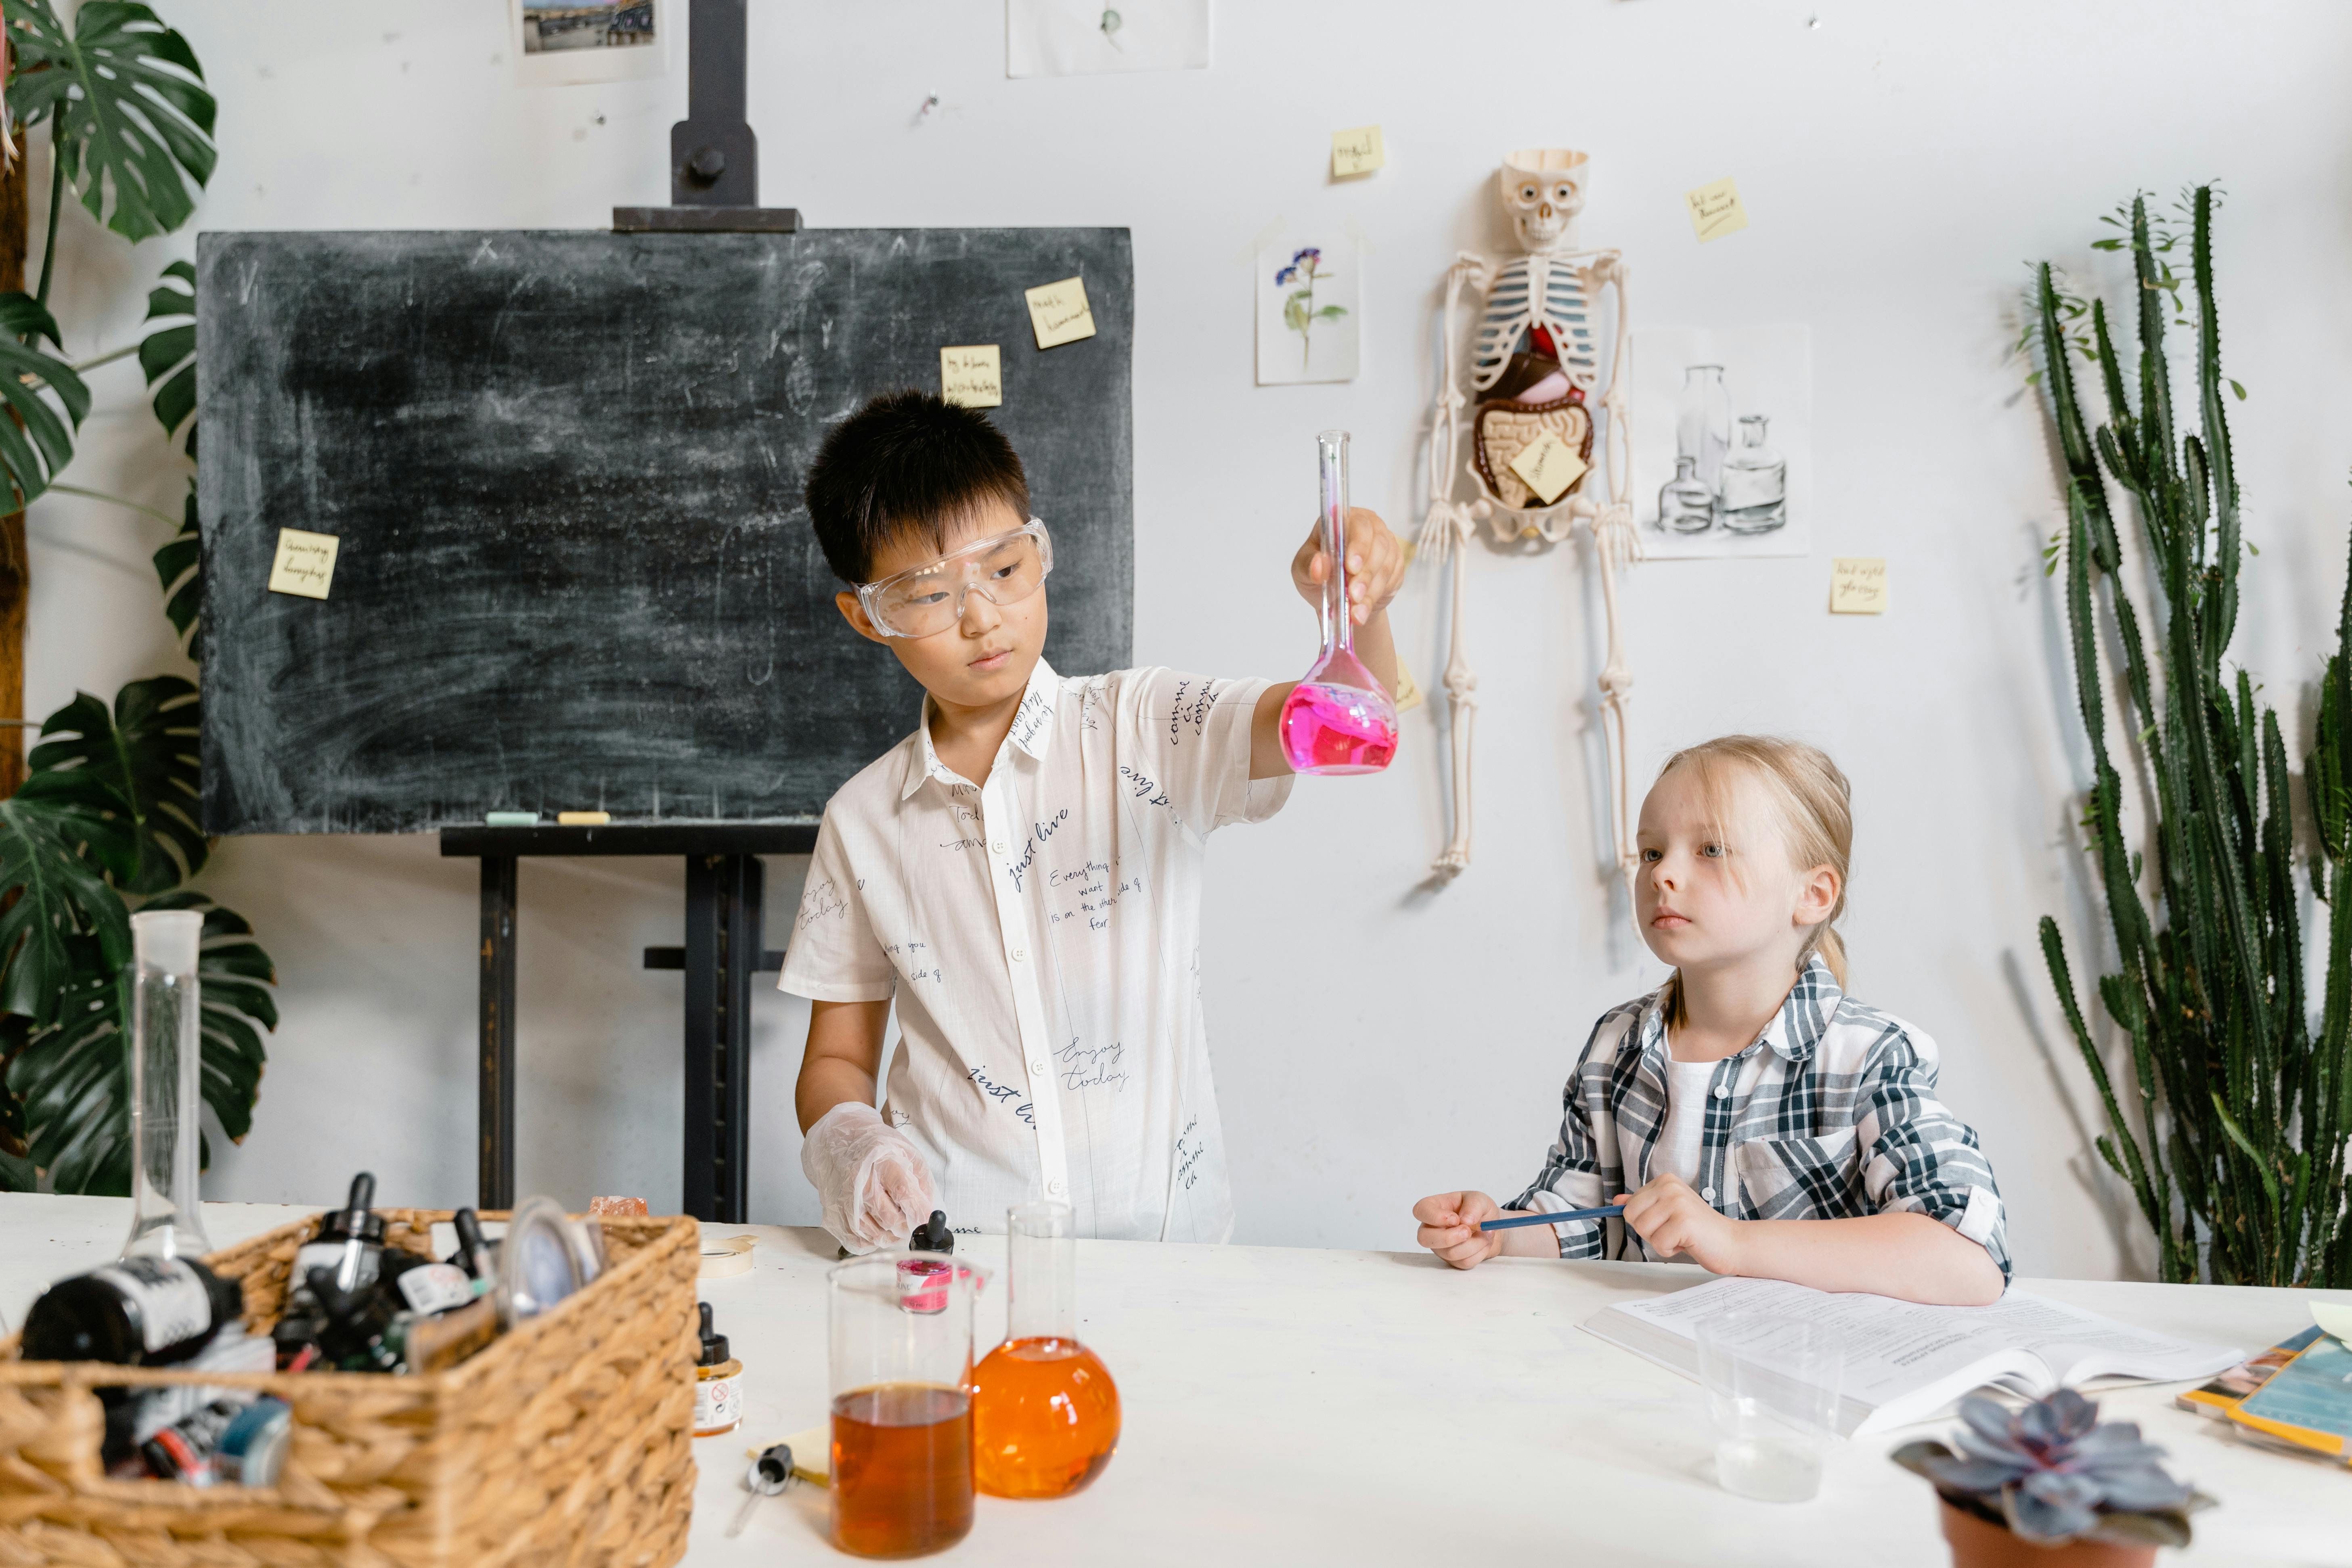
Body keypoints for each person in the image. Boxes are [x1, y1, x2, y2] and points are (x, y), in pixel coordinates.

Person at [783, 390, 1405, 1251]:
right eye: (928, 594)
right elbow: (835, 1062)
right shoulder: (862, 821)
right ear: (868, 616)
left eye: (1004, 569)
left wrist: (1356, 609)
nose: (980, 616)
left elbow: (1348, 724)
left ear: (1039, 551)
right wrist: (853, 1146)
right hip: (955, 1260)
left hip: (1161, 1261)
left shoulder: (1147, 726)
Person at [1412, 736, 2009, 1306]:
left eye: (1711, 849)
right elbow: (1588, 1221)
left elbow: (1969, 1255)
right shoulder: (1616, 1045)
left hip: (1804, 1386)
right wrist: (1500, 1233)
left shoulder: (1869, 1053)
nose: (1662, 874)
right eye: (1651, 851)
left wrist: (1731, 1240)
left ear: (1815, 894)